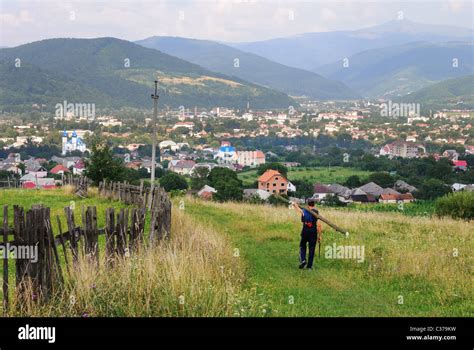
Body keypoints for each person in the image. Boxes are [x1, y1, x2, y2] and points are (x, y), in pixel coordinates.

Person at [292, 200, 319, 270]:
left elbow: (298, 209)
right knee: (312, 249)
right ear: (314, 205)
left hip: (305, 231)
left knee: (302, 246)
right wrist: (320, 235)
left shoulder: (305, 211)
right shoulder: (316, 212)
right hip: (313, 232)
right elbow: (318, 225)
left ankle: (303, 260)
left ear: (307, 204)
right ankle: (309, 267)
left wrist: (295, 204)